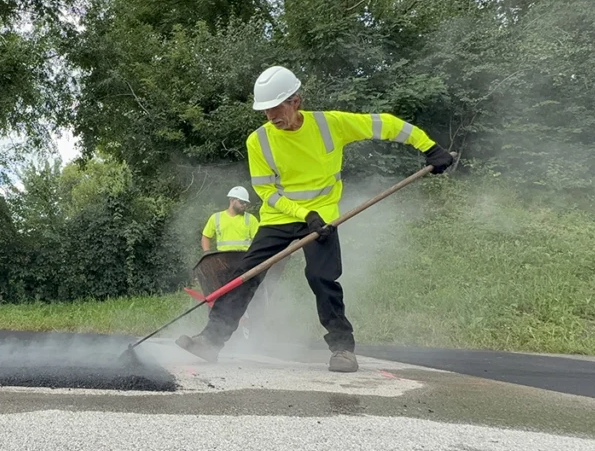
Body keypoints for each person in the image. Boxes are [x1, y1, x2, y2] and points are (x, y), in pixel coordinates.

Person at [176, 65, 455, 372]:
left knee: (322, 278)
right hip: (279, 216)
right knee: (246, 273)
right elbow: (266, 191)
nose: (270, 117)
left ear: (295, 100)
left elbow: (385, 124)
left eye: (275, 108)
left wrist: (430, 147)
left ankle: (342, 349)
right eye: (265, 111)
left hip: (323, 217)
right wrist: (302, 213)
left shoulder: (329, 124)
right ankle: (211, 341)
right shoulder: (259, 141)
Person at [200, 186, 259, 253]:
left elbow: (258, 241)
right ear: (232, 200)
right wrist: (207, 253)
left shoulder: (251, 219)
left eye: (246, 203)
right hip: (223, 258)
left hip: (244, 258)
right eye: (242, 202)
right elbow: (206, 237)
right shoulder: (216, 217)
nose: (244, 205)